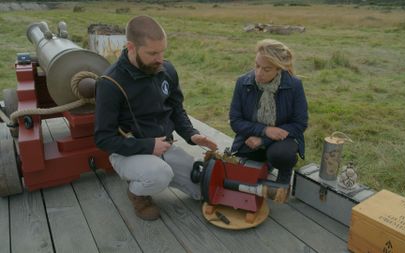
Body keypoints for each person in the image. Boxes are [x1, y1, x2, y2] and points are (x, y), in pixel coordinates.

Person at [95, 15, 217, 221]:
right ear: (131, 47)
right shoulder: (110, 83)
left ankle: (155, 172)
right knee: (159, 175)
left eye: (162, 51)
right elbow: (103, 139)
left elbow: (176, 109)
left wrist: (192, 135)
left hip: (164, 147)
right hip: (128, 152)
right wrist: (148, 146)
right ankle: (137, 193)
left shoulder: (166, 70)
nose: (160, 59)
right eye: (152, 53)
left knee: (204, 188)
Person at [229, 39, 308, 186]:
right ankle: (265, 162)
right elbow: (235, 121)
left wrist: (264, 139)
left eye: (266, 69)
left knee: (281, 155)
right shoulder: (243, 82)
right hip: (249, 138)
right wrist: (265, 130)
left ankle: (284, 174)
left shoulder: (294, 85)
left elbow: (299, 124)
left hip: (282, 141)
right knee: (237, 174)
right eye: (257, 66)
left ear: (279, 69)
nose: (259, 73)